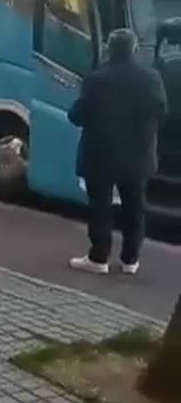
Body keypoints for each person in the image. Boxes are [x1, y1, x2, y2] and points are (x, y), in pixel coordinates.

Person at [67, 28, 167, 275]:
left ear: (109, 49)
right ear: (134, 49)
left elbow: (76, 115)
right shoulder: (151, 78)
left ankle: (99, 258)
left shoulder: (96, 79)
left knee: (100, 207)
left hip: (100, 155)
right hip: (138, 155)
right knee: (135, 208)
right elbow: (160, 112)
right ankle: (130, 260)